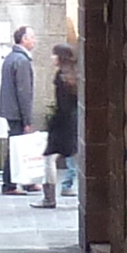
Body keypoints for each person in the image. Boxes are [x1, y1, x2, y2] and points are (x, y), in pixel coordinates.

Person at [0, 25, 36, 195]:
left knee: (19, 147)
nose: (35, 40)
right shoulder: (21, 60)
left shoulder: (11, 58)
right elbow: (24, 92)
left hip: (10, 109)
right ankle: (9, 184)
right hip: (17, 111)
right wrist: (27, 120)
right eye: (32, 37)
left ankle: (26, 182)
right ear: (24, 39)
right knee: (17, 148)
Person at [41, 43, 80, 208]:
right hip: (74, 120)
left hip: (63, 123)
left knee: (49, 159)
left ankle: (49, 198)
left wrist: (53, 122)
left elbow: (62, 105)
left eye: (54, 54)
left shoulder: (61, 77)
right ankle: (68, 186)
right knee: (75, 156)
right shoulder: (76, 75)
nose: (51, 57)